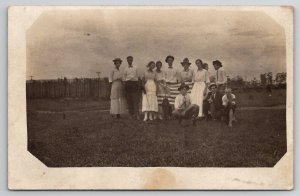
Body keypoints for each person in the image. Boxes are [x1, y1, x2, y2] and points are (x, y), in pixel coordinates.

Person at [122, 56, 140, 120]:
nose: (130, 61)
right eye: (128, 60)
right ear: (127, 61)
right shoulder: (125, 69)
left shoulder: (135, 67)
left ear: (132, 60)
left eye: (131, 60)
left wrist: (138, 86)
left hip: (134, 84)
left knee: (135, 100)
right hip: (128, 84)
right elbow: (124, 78)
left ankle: (137, 114)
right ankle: (131, 114)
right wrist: (125, 86)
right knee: (129, 100)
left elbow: (137, 77)